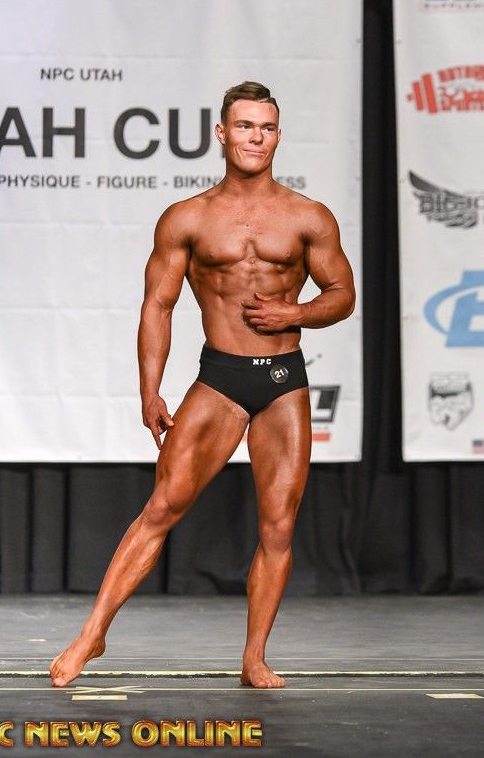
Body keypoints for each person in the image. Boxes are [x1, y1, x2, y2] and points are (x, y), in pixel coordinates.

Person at [50, 81, 355, 689]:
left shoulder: (308, 217)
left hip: (283, 381)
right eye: (244, 126)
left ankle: (254, 657)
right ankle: (92, 635)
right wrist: (150, 391)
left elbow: (343, 294)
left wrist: (293, 313)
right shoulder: (187, 219)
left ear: (278, 136)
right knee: (162, 507)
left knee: (278, 526)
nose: (255, 137)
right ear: (222, 133)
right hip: (220, 379)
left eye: (266, 127)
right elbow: (157, 307)